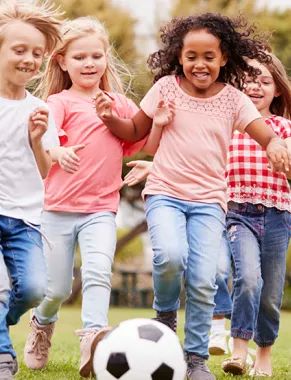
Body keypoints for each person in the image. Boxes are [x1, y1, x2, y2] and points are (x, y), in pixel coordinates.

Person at [94, 13, 291, 380]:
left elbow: (264, 133)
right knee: (170, 257)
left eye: (209, 57)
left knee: (204, 279)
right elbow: (136, 129)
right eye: (191, 57)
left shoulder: (234, 100)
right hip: (165, 193)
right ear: (179, 57)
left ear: (224, 59)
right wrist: (109, 119)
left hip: (209, 202)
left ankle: (196, 358)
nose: (199, 64)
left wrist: (277, 144)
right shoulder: (166, 88)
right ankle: (166, 316)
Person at [22, 17, 169, 378]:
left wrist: (160, 123)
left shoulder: (118, 104)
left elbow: (140, 144)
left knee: (99, 272)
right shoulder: (59, 102)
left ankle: (93, 339)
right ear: (62, 62)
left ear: (106, 58)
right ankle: (43, 323)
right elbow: (46, 137)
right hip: (56, 209)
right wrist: (58, 153)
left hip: (101, 209)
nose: (89, 64)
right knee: (56, 287)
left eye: (96, 56)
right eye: (80, 57)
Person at [219, 53, 291, 377]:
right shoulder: (227, 121)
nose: (256, 86)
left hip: (276, 216)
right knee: (247, 279)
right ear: (235, 82)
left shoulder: (280, 125)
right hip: (237, 213)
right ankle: (239, 351)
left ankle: (264, 354)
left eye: (265, 80)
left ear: (277, 90)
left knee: (271, 294)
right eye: (249, 78)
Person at [0, 2, 62, 379]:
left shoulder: (39, 109)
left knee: (34, 290)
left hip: (25, 218)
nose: (29, 59)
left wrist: (37, 140)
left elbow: (44, 171)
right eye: (19, 50)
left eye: (37, 54)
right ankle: (3, 358)